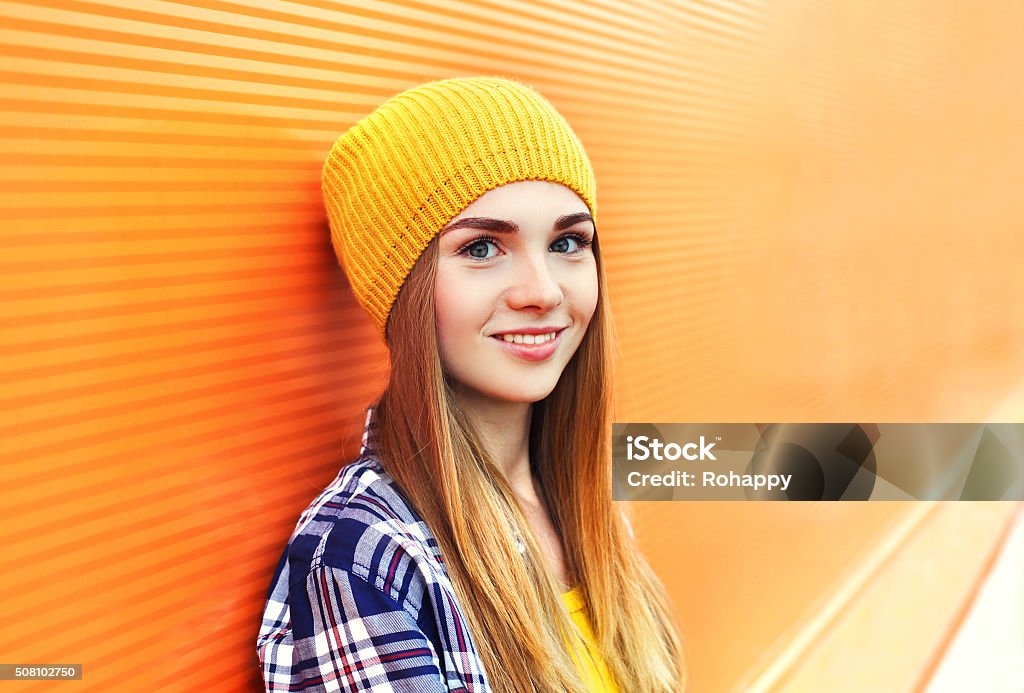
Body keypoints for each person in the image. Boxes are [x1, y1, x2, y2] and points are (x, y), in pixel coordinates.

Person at [257, 77, 684, 692]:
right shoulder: (361, 561)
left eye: (567, 242)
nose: (541, 291)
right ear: (406, 292)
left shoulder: (590, 505)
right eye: (482, 247)